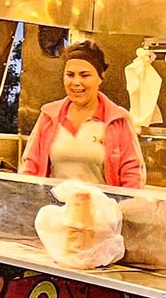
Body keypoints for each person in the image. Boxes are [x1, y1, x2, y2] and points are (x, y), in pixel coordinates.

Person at [19, 40, 144, 188]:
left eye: (85, 75)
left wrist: (122, 207)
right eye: (70, 75)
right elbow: (30, 166)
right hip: (56, 207)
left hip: (101, 208)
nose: (76, 82)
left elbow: (133, 172)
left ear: (100, 77)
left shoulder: (118, 119)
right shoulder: (49, 115)